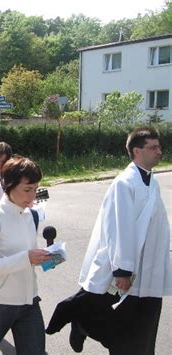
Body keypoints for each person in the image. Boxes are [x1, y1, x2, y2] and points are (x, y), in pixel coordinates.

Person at [46, 127, 171, 354]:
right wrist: (122, 269)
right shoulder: (125, 183)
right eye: (153, 147)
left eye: (159, 147)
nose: (159, 151)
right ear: (136, 151)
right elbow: (119, 228)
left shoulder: (151, 181)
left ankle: (82, 320)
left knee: (145, 326)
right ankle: (80, 320)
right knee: (126, 331)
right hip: (130, 269)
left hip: (149, 268)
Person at [0, 156, 52, 355]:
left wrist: (45, 259)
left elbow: (27, 255)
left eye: (35, 189)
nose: (32, 196)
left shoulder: (33, 214)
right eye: (27, 189)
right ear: (8, 185)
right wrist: (27, 258)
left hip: (29, 300)